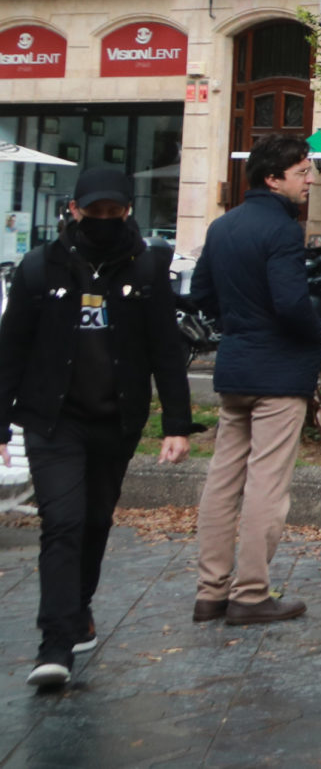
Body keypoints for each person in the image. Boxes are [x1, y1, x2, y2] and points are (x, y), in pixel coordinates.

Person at [0, 167, 196, 688]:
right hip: (53, 420)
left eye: (114, 211)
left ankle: (79, 604)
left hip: (117, 418)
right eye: (95, 211)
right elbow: (10, 350)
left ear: (127, 211)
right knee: (60, 522)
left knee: (93, 521)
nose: (104, 220)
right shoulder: (40, 269)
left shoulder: (148, 269)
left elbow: (165, 350)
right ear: (74, 210)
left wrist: (176, 422)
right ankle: (54, 643)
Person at [193, 133, 321, 626]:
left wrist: (238, 325)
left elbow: (201, 292)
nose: (310, 180)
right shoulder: (282, 230)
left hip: (236, 364)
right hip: (278, 372)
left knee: (223, 481)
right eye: (302, 173)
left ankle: (210, 591)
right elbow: (292, 302)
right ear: (273, 178)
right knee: (267, 486)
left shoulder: (223, 226)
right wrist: (318, 337)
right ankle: (250, 593)